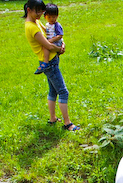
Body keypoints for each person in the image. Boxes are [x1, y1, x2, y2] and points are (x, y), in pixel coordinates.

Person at [24, 0, 80, 131]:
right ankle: (68, 124)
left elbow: (51, 33)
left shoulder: (35, 22)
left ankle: (52, 118)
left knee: (53, 90)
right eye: (37, 11)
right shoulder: (31, 27)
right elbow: (47, 45)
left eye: (41, 11)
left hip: (50, 60)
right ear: (29, 10)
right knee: (63, 92)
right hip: (49, 63)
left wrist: (62, 43)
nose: (40, 14)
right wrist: (59, 49)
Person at [34, 3, 64, 75]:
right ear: (45, 17)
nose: (51, 19)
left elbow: (60, 35)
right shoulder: (48, 24)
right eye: (49, 17)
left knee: (46, 46)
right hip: (52, 41)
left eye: (53, 17)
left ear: (57, 16)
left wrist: (51, 40)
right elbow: (47, 30)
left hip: (56, 41)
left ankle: (46, 62)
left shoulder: (56, 25)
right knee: (46, 45)